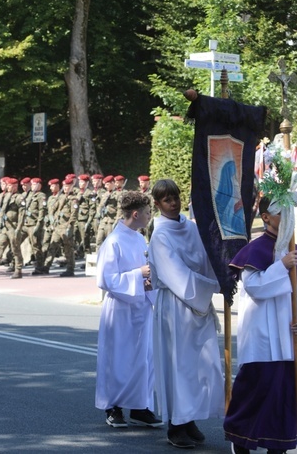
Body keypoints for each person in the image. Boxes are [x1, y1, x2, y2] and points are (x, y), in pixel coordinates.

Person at [224, 195, 297, 454]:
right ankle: (240, 439)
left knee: (282, 397)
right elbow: (255, 288)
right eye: (280, 212)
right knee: (254, 392)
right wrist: (281, 266)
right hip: (262, 336)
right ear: (266, 217)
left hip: (288, 337)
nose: (286, 217)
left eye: (289, 211)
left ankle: (278, 446)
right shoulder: (255, 249)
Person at [147, 179, 224, 449]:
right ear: (157, 204)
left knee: (201, 366)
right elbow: (174, 275)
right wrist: (208, 287)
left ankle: (191, 418)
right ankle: (176, 425)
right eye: (167, 199)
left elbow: (207, 259)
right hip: (176, 307)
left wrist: (221, 276)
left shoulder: (191, 228)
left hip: (198, 305)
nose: (174, 202)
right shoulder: (160, 235)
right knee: (179, 365)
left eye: (176, 197)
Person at [95, 191, 163, 429]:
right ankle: (112, 407)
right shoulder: (113, 241)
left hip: (141, 305)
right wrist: (138, 275)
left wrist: (150, 282)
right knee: (118, 359)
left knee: (143, 358)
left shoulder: (139, 237)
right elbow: (106, 279)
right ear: (135, 214)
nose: (150, 216)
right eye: (147, 213)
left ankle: (140, 406)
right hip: (121, 309)